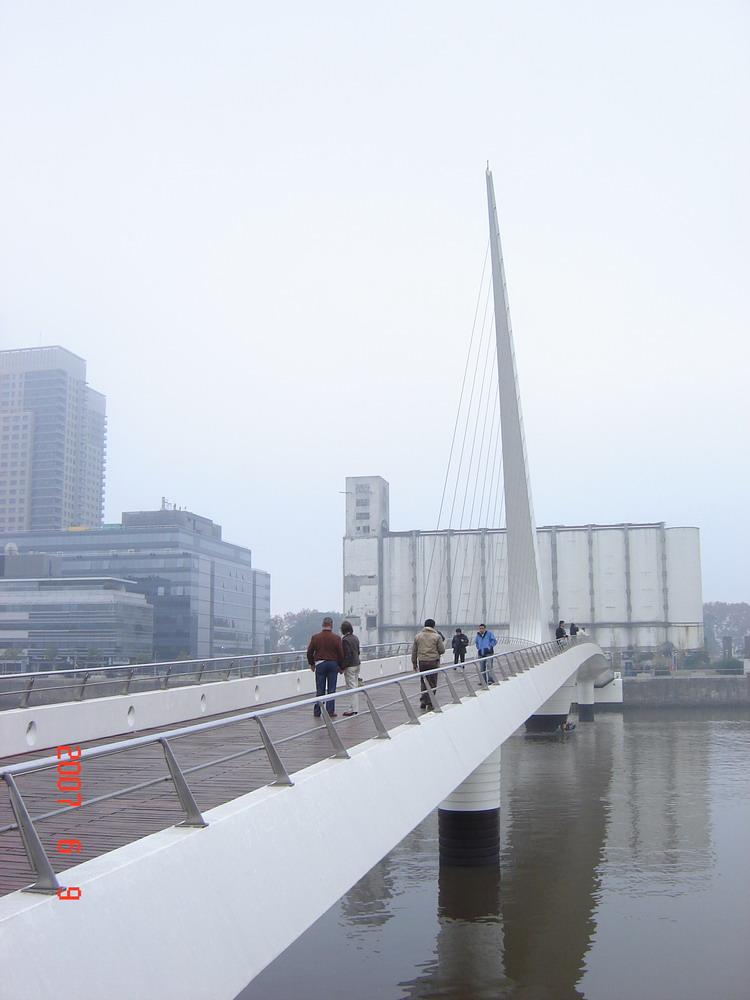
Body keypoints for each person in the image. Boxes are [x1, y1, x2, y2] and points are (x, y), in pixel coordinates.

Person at [306, 616, 344, 718]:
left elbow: (309, 652)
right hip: (332, 664)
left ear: (322, 625)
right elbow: (341, 654)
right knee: (331, 688)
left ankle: (317, 711)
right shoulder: (336, 638)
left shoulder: (315, 637)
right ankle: (330, 711)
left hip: (320, 664)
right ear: (332, 626)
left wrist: (312, 664)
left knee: (320, 689)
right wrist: (341, 667)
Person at [411, 618, 445, 710]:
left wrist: (414, 663)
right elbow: (442, 650)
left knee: (423, 681)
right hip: (433, 661)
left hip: (422, 661)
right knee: (432, 683)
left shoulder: (418, 636)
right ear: (434, 626)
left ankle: (423, 700)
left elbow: (414, 651)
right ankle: (430, 702)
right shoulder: (437, 636)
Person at [340, 619, 361, 716]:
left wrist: (342, 666)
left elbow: (347, 655)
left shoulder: (345, 640)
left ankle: (352, 709)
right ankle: (355, 708)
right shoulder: (355, 638)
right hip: (357, 664)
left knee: (351, 687)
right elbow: (358, 651)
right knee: (355, 686)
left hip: (350, 665)